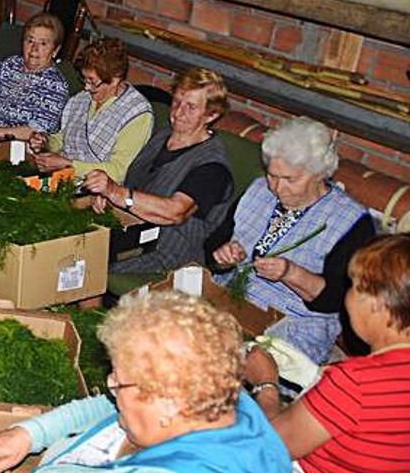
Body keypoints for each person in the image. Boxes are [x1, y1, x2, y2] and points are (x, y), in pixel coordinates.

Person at [0, 291, 292, 473]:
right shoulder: (222, 404)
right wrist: (29, 434)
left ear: (168, 402)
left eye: (120, 382)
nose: (110, 387)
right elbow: (105, 408)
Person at [246, 234, 410, 473]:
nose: (349, 297)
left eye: (356, 287)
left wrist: (264, 383)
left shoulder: (357, 382)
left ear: (379, 305)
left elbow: (270, 447)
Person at [209, 117, 376, 364]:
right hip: (233, 298)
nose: (277, 188)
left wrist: (291, 273)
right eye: (272, 175)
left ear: (320, 174)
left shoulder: (351, 222)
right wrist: (223, 257)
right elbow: (213, 245)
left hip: (295, 322)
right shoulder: (258, 189)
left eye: (290, 179)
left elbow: (337, 300)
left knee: (222, 363)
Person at [83, 67, 234, 275]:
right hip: (130, 235)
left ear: (211, 114)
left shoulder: (213, 168)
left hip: (167, 258)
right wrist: (108, 199)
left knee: (83, 260)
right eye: (176, 101)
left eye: (191, 107)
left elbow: (175, 212)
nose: (178, 112)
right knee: (68, 243)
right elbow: (134, 185)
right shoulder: (163, 135)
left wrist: (116, 193)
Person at [28, 38, 152, 182]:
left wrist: (69, 165)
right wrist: (45, 142)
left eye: (92, 81)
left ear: (115, 80)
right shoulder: (81, 99)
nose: (87, 88)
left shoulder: (137, 114)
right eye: (84, 80)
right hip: (62, 179)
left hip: (97, 192)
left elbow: (118, 171)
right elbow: (64, 138)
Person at [0, 13, 69, 144]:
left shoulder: (55, 85)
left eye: (43, 44)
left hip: (19, 148)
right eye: (30, 41)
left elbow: (38, 131)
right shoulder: (10, 65)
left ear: (55, 50)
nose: (34, 49)